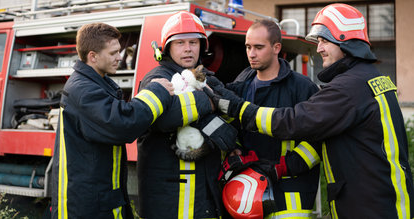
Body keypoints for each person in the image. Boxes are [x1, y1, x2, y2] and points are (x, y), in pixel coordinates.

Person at [208, 3, 414, 218]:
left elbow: (294, 121)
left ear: (345, 40)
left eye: (324, 41)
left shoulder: (348, 87)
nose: (318, 48)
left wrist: (240, 110)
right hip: (378, 199)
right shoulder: (368, 78)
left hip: (369, 205)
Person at [51, 22, 174, 219]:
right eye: (113, 53)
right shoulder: (83, 90)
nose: (120, 57)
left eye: (120, 51)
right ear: (93, 56)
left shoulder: (95, 84)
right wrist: (157, 92)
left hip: (99, 198)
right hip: (86, 206)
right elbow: (121, 124)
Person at [137, 11, 237, 218]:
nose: (188, 49)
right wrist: (209, 102)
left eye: (193, 42)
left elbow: (233, 108)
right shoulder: (157, 79)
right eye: (180, 43)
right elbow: (166, 118)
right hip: (169, 197)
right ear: (167, 48)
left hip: (202, 192)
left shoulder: (206, 78)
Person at [223, 18, 321, 218]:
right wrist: (234, 148)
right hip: (248, 192)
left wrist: (283, 167)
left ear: (277, 47)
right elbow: (232, 128)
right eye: (248, 47)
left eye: (259, 47)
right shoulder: (240, 86)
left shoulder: (302, 88)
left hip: (290, 194)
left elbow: (318, 141)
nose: (251, 54)